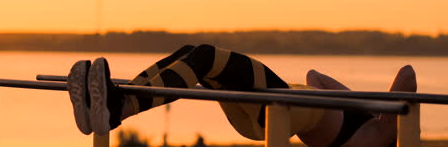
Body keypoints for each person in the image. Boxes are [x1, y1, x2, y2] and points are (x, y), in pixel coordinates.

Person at [67, 44, 417, 147]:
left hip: (281, 108)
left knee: (206, 56)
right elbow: (314, 76)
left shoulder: (378, 135)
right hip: (266, 111)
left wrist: (374, 107)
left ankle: (117, 109)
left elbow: (407, 76)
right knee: (194, 56)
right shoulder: (365, 119)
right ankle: (114, 107)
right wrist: (366, 103)